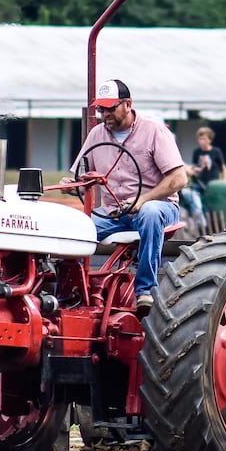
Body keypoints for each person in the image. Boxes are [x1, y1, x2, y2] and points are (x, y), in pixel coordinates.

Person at [65, 79, 187, 315]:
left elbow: (179, 178)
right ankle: (72, 293)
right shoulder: (96, 135)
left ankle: (145, 291)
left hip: (159, 208)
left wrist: (143, 201)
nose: (105, 114)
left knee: (150, 213)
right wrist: (73, 185)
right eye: (101, 109)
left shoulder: (154, 132)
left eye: (111, 108)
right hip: (113, 213)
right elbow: (82, 175)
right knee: (74, 228)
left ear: (127, 104)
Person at [180, 125, 226, 233]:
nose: (202, 141)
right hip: (199, 183)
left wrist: (224, 182)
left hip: (212, 183)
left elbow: (223, 168)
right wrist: (194, 170)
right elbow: (194, 167)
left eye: (204, 139)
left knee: (210, 207)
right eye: (200, 139)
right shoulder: (197, 152)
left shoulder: (216, 152)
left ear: (209, 140)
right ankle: (202, 224)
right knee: (190, 196)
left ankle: (209, 225)